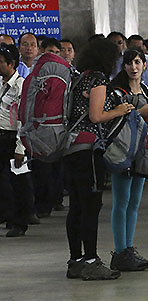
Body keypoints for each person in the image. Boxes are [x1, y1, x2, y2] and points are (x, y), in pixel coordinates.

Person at [63, 38, 133, 281]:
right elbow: (96, 116)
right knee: (91, 204)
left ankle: (76, 260)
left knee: (76, 205)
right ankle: (92, 260)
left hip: (70, 147)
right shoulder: (99, 79)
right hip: (88, 148)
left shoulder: (79, 77)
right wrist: (120, 110)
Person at [109, 48, 148, 271]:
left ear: (145, 65)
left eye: (137, 62)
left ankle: (128, 248)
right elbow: (112, 122)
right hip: (123, 150)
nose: (133, 67)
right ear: (123, 66)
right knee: (121, 201)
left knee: (134, 202)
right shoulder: (116, 92)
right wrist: (139, 111)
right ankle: (120, 251)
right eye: (129, 63)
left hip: (144, 151)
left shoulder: (145, 89)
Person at [0, 43, 36, 236]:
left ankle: (20, 221)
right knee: (3, 183)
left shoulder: (22, 85)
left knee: (18, 182)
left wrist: (20, 147)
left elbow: (24, 118)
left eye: (0, 62)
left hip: (13, 138)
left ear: (11, 63)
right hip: (0, 136)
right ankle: (7, 216)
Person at [31, 37, 65, 218]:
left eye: (56, 53)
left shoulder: (64, 72)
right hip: (39, 126)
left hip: (58, 126)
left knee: (56, 166)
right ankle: (43, 203)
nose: (53, 56)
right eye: (50, 52)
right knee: (41, 166)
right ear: (42, 51)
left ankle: (54, 199)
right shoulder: (35, 72)